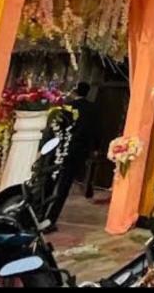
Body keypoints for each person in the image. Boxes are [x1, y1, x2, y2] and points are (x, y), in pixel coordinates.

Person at [45, 82, 99, 228]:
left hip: (60, 149)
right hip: (78, 151)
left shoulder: (67, 107)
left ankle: (41, 213)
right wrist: (94, 149)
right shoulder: (92, 109)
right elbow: (95, 131)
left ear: (75, 92)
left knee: (50, 180)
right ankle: (51, 219)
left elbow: (56, 127)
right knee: (64, 186)